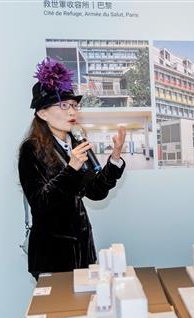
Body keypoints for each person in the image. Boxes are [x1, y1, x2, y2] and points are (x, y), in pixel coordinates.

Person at [19, 58, 126, 280]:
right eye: (63, 105)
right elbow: (40, 204)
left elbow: (96, 192)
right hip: (53, 256)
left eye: (74, 105)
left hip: (83, 252)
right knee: (57, 313)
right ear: (42, 113)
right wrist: (70, 169)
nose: (71, 111)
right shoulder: (31, 150)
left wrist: (114, 160)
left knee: (85, 311)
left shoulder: (77, 142)